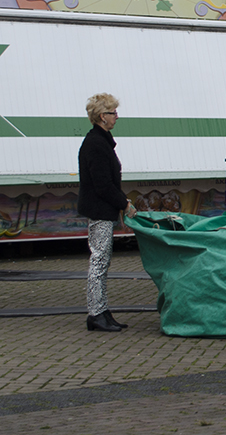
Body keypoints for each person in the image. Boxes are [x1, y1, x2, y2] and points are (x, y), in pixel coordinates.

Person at [78, 93, 137, 332]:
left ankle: (102, 310)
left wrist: (122, 201)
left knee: (102, 260)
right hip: (100, 210)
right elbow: (103, 184)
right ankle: (95, 313)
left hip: (103, 209)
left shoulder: (101, 141)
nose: (116, 117)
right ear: (103, 116)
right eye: (113, 112)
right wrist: (124, 204)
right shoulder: (96, 144)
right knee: (99, 261)